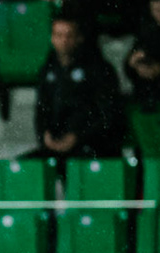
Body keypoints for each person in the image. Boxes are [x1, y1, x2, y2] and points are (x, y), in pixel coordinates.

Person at [31, 14, 123, 159]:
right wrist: (45, 136)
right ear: (52, 38)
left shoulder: (99, 70)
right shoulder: (47, 70)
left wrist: (78, 136)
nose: (64, 41)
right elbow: (41, 110)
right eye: (59, 35)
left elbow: (107, 115)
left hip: (93, 147)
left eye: (69, 35)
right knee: (24, 168)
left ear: (79, 38)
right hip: (56, 145)